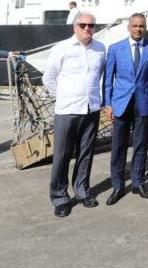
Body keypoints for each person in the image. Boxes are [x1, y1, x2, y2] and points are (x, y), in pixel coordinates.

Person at [42, 12, 106, 217]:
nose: (87, 28)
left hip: (91, 108)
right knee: (62, 155)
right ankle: (60, 197)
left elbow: (101, 76)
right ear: (74, 27)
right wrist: (64, 96)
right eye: (83, 24)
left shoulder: (100, 49)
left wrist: (99, 98)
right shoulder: (61, 49)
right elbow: (49, 78)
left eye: (91, 25)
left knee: (86, 153)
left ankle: (82, 191)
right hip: (68, 110)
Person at [103, 13, 148, 205]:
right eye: (135, 26)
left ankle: (138, 183)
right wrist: (109, 104)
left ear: (145, 27)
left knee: (140, 145)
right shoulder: (115, 49)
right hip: (121, 104)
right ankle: (118, 185)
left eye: (141, 26)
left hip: (143, 103)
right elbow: (108, 80)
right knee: (118, 146)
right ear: (129, 27)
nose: (138, 29)